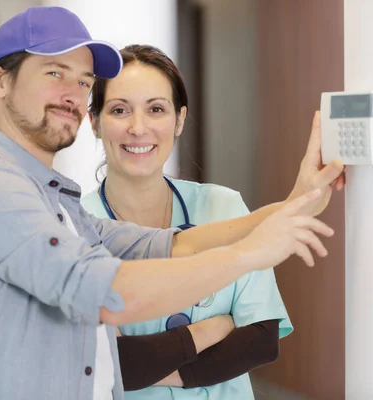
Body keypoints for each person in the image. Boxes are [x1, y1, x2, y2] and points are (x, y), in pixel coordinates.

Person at [0, 6, 344, 400]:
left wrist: (301, 199)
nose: (73, 92)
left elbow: (166, 244)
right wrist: (244, 260)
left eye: (84, 81)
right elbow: (108, 293)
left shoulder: (51, 198)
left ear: (180, 119)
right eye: (55, 72)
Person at [81, 44, 292, 399]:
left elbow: (260, 340)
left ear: (179, 120)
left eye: (156, 109)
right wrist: (212, 331)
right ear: (95, 123)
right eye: (119, 110)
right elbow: (113, 363)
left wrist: (148, 361)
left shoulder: (223, 207)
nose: (138, 128)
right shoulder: (75, 224)